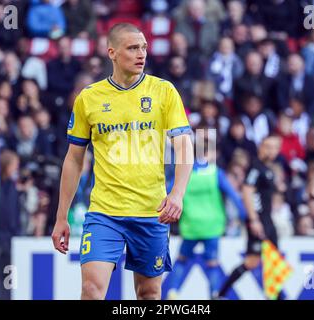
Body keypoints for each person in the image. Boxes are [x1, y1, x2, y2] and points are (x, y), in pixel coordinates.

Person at [51, 23, 194, 300]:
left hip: (152, 211)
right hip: (105, 212)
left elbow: (184, 146)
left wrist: (177, 193)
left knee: (149, 293)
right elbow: (73, 159)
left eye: (144, 48)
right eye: (132, 48)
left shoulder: (164, 92)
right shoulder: (89, 98)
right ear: (112, 53)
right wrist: (61, 216)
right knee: (91, 290)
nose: (141, 54)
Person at [166, 145, 247, 299]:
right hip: (212, 226)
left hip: (191, 225)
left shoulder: (184, 173)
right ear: (208, 153)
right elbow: (234, 196)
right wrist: (244, 217)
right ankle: (214, 294)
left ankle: (173, 291)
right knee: (212, 264)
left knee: (182, 260)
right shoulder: (216, 173)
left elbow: (167, 190)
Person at [216, 134, 285, 299]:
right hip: (259, 220)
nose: (272, 151)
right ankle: (221, 293)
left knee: (273, 260)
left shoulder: (268, 169)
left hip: (267, 220)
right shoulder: (256, 168)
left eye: (275, 147)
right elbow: (247, 191)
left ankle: (276, 295)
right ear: (261, 147)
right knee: (252, 261)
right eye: (269, 146)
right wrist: (253, 219)